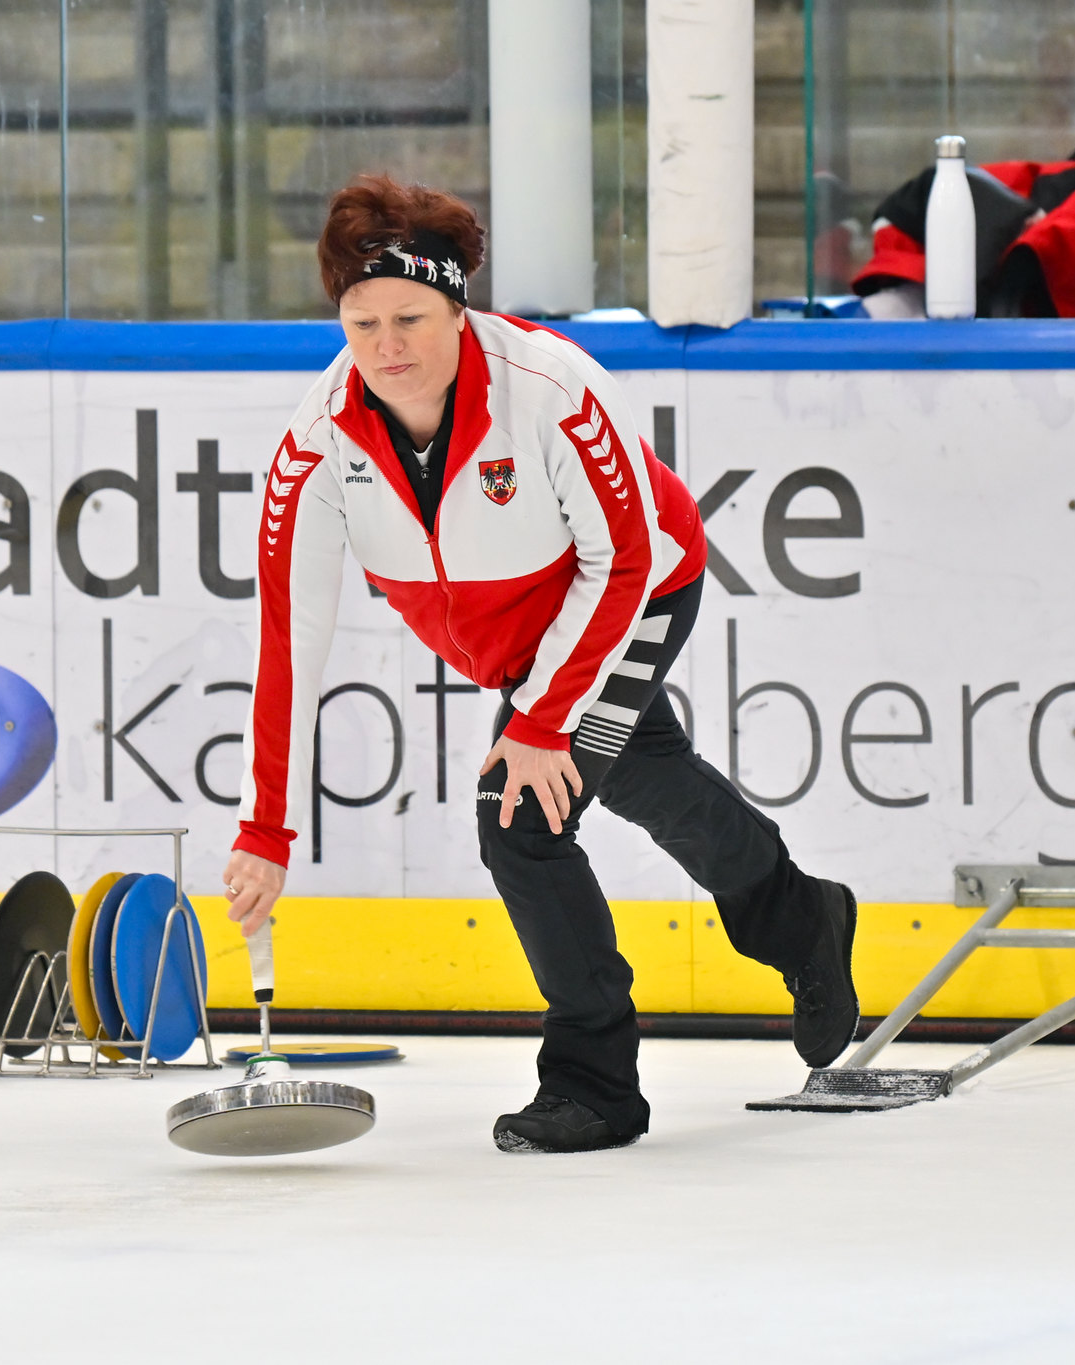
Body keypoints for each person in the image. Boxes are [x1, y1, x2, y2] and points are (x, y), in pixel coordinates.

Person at [221, 174, 858, 1153]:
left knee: (519, 817)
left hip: (633, 594)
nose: (386, 347)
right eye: (360, 323)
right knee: (644, 777)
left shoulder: (552, 389)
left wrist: (537, 724)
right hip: (522, 643)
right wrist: (265, 826)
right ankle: (802, 920)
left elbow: (625, 559)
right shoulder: (315, 445)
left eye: (410, 317)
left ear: (456, 305)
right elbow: (286, 637)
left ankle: (593, 1084)